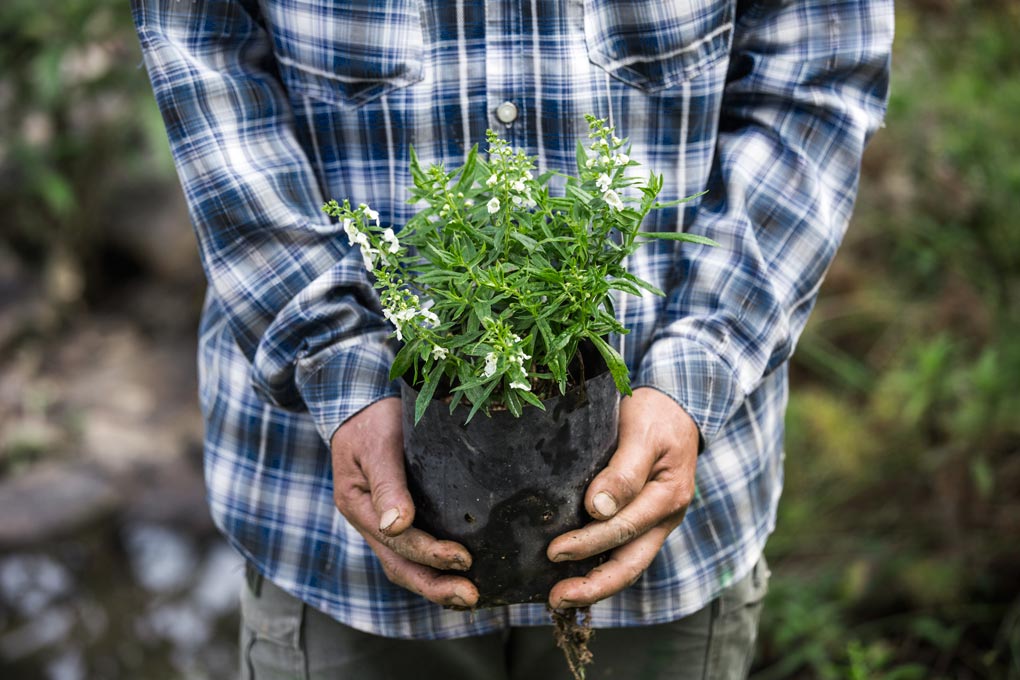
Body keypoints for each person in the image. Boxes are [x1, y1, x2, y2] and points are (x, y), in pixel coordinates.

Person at [132, 0, 893, 677]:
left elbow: (819, 62)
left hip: (672, 525)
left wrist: (703, 366)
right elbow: (197, 40)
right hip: (334, 526)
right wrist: (335, 361)